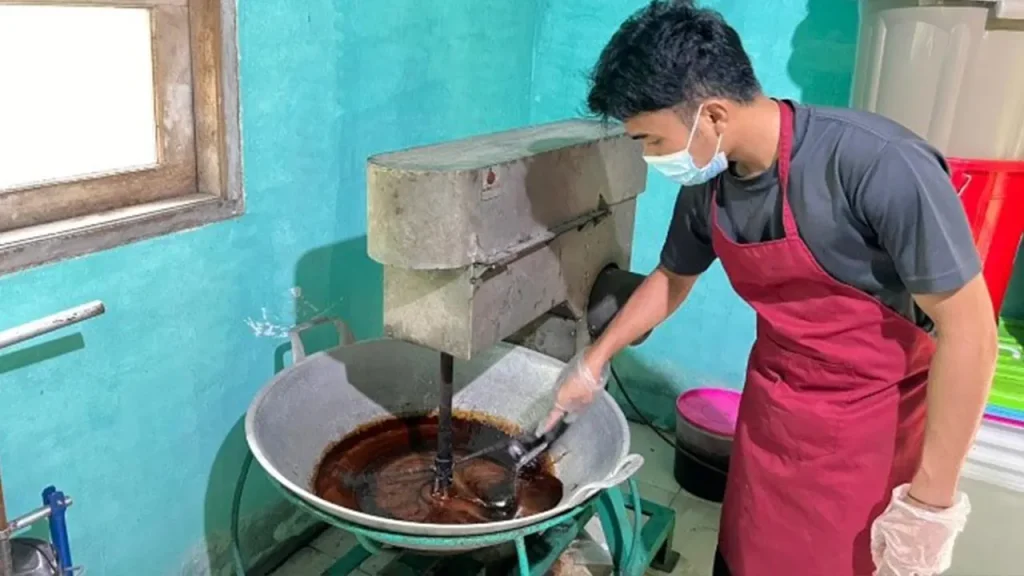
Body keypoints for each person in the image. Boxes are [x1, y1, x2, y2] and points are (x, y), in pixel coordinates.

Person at [541, 2, 999, 575]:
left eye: (651, 140)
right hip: (772, 421)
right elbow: (671, 278)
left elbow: (973, 334)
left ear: (710, 115)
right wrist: (593, 364)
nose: (650, 157)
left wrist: (931, 505)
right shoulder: (710, 185)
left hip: (868, 439)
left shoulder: (878, 165)